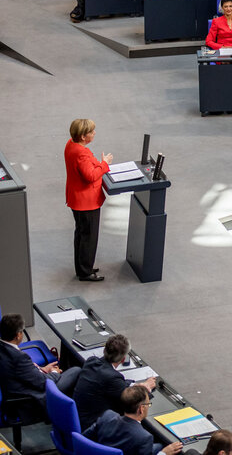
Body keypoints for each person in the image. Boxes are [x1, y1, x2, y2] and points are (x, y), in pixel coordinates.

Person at [0, 314, 81, 421]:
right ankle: (67, 414)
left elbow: (23, 372)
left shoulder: (4, 349)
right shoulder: (19, 358)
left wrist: (43, 369)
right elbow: (43, 383)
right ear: (18, 335)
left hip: (18, 388)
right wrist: (54, 372)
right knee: (76, 371)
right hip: (30, 400)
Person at [73, 335, 157, 429]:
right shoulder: (112, 378)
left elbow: (117, 384)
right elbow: (132, 400)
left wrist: (134, 385)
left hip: (77, 418)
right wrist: (146, 387)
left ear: (105, 350)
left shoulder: (91, 361)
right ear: (123, 359)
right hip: (93, 427)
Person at [65, 118, 112, 282]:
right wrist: (104, 164)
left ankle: (83, 267)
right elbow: (90, 176)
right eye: (92, 132)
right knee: (88, 237)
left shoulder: (71, 144)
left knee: (81, 234)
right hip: (86, 202)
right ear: (84, 136)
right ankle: (85, 272)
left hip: (76, 198)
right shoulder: (81, 153)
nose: (94, 133)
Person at [84, 386, 183, 455]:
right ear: (141, 409)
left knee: (158, 445)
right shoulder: (144, 437)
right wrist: (164, 453)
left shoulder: (107, 416)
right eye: (148, 404)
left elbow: (84, 438)